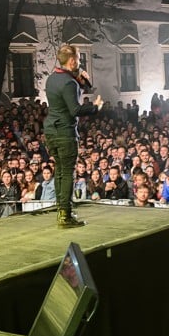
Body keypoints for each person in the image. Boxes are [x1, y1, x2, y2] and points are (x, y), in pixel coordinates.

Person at [43, 43, 103, 228]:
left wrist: (82, 80)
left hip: (51, 131)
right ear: (72, 61)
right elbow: (75, 109)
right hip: (64, 132)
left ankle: (62, 211)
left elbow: (67, 97)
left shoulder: (52, 78)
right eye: (78, 59)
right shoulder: (69, 82)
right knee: (67, 172)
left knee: (60, 170)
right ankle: (65, 215)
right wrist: (95, 107)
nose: (79, 62)